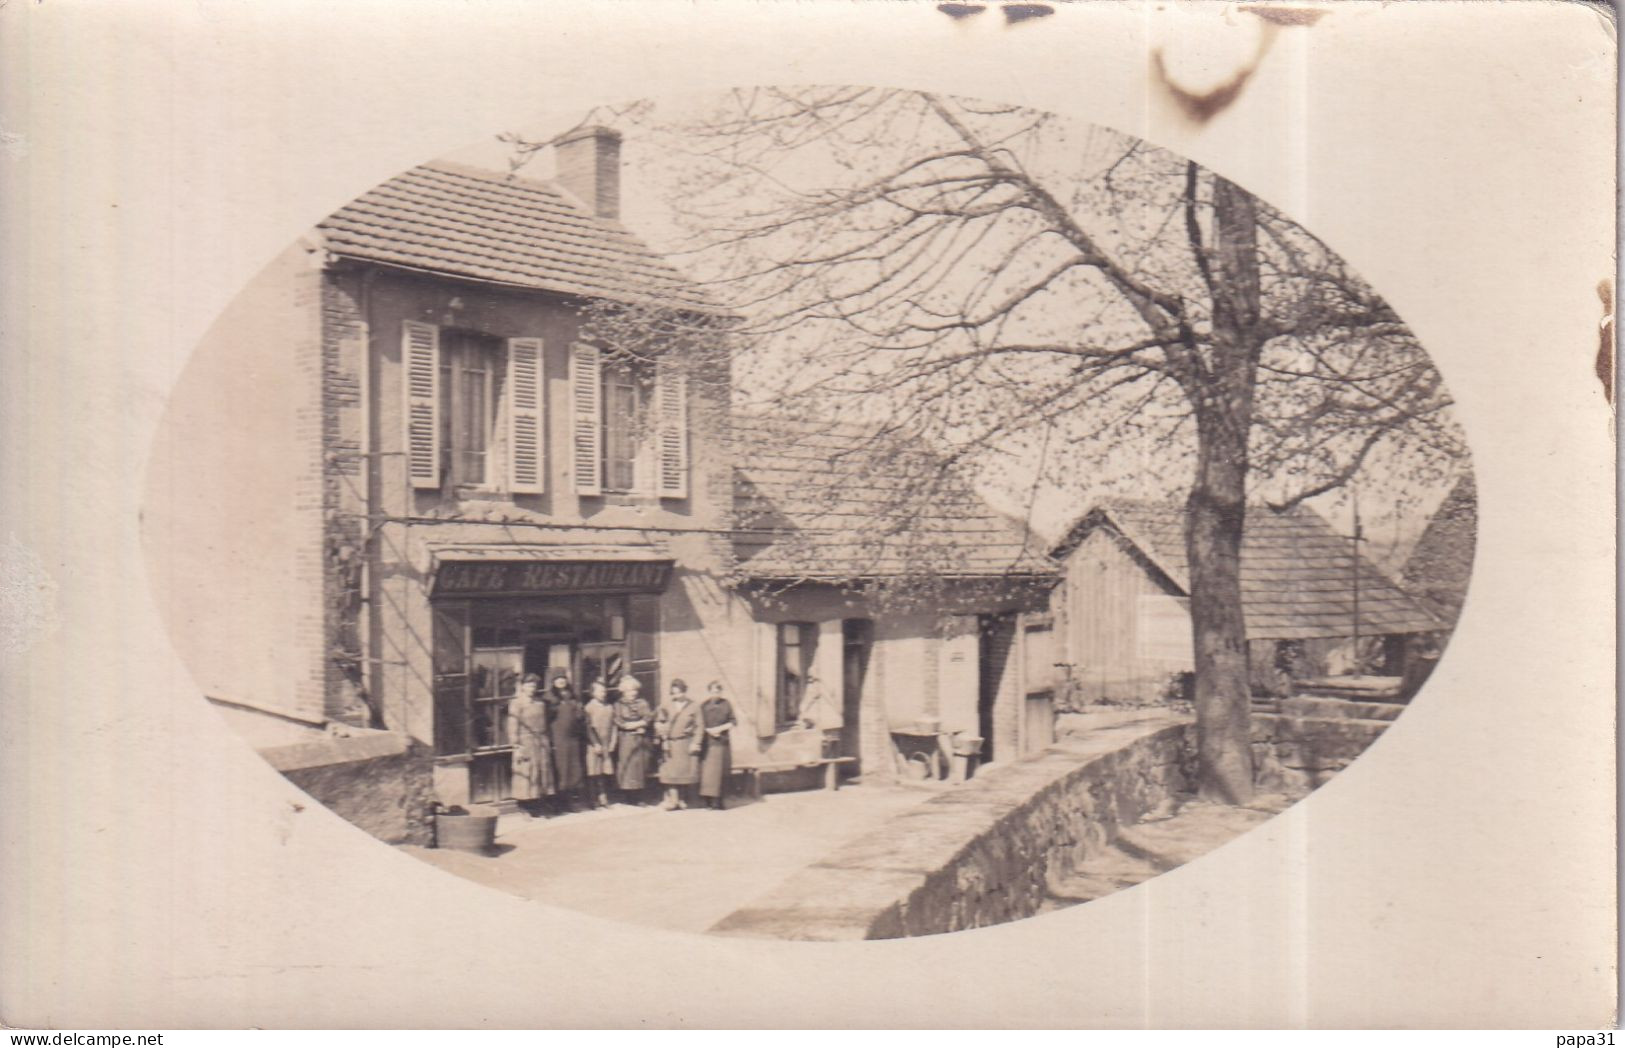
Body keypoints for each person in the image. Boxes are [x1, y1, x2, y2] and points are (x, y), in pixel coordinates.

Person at [508, 673, 554, 811]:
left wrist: (547, 741)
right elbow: (512, 725)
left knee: (541, 772)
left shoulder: (540, 703)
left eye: (534, 685)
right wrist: (516, 745)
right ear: (522, 687)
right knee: (526, 774)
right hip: (525, 742)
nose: (531, 688)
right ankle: (524, 807)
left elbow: (545, 724)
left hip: (541, 742)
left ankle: (538, 804)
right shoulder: (516, 703)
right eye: (528, 685)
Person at [655, 678, 702, 810]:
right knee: (670, 772)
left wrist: (696, 743)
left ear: (684, 691)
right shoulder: (667, 706)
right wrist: (664, 739)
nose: (677, 696)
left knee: (683, 773)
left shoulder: (694, 706)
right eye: (674, 693)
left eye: (680, 693)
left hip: (685, 743)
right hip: (671, 743)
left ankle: (682, 799)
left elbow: (699, 726)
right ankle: (673, 800)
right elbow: (660, 722)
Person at [546, 672, 587, 812]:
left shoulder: (573, 696)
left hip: (573, 739)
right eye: (557, 679)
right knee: (561, 769)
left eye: (563, 678)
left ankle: (572, 802)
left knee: (574, 770)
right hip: (558, 739)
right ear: (553, 682)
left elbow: (580, 716)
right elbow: (546, 720)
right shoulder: (549, 698)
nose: (561, 681)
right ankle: (559, 804)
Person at [697, 680, 737, 810]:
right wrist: (710, 731)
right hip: (708, 743)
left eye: (719, 691)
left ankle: (719, 801)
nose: (717, 694)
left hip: (722, 742)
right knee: (708, 774)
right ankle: (708, 801)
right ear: (709, 692)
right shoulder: (703, 706)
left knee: (721, 773)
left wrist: (719, 729)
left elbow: (733, 721)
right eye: (714, 691)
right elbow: (700, 723)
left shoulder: (726, 704)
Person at [612, 676, 653, 801]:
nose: (633, 693)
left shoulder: (642, 703)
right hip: (625, 739)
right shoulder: (618, 704)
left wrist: (639, 724)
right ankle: (629, 795)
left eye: (635, 690)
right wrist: (627, 726)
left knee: (640, 767)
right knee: (627, 765)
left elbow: (648, 717)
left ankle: (640, 795)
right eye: (630, 690)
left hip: (640, 738)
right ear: (623, 691)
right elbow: (617, 719)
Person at [582, 679, 617, 810]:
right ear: (593, 693)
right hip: (594, 745)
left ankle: (604, 798)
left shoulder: (609, 707)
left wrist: (613, 741)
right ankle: (593, 800)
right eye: (600, 691)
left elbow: (614, 726)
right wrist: (595, 743)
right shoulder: (589, 708)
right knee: (593, 772)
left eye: (604, 691)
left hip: (606, 743)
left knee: (603, 772)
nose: (604, 693)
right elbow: (588, 728)